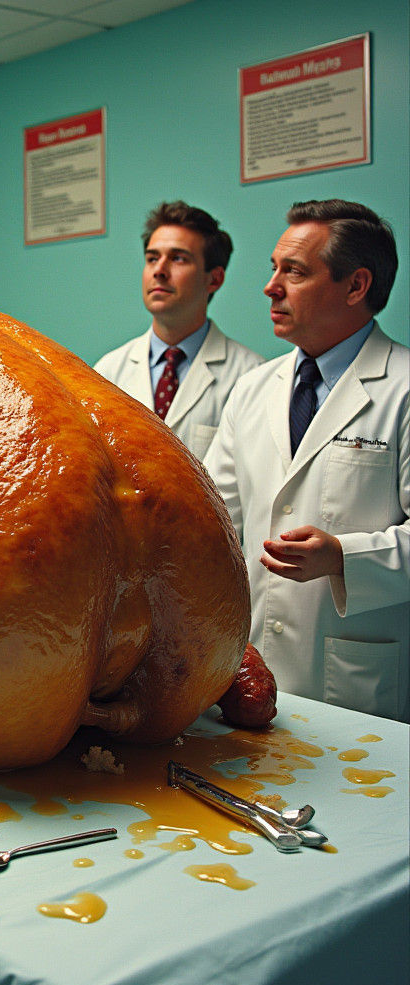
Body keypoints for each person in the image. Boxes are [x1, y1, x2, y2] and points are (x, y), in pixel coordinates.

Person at [205, 199, 407, 722]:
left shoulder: (404, 388)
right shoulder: (252, 391)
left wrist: (345, 556)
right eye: (274, 269)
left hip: (355, 683)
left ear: (356, 285)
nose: (271, 287)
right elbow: (214, 521)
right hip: (248, 673)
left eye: (293, 271)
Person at [94, 201, 263, 460]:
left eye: (178, 258)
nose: (159, 271)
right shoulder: (108, 371)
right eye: (152, 258)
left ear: (214, 279)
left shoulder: (251, 377)